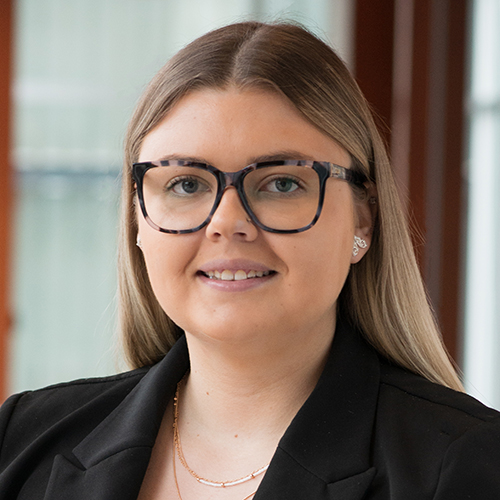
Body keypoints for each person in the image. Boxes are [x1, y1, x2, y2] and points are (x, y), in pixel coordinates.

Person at [1, 21, 499, 500]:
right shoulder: (19, 439)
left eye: (282, 183)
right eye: (186, 184)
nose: (227, 222)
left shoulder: (468, 465)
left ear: (363, 220)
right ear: (136, 220)